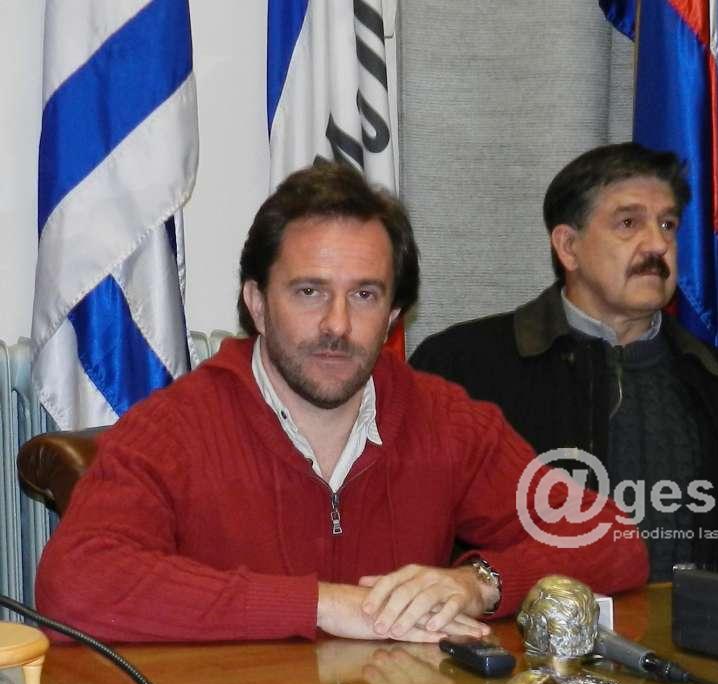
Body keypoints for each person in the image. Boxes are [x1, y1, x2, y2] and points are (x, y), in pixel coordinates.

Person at [35, 163, 647, 643]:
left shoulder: (444, 420)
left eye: (364, 295)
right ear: (256, 303)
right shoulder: (175, 428)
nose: (336, 324)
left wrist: (480, 582)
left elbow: (614, 541)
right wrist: (322, 605)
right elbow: (74, 585)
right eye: (309, 292)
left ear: (394, 316)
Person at [410, 143, 718, 581]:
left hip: (695, 624)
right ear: (568, 247)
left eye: (667, 225)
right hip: (517, 621)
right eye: (629, 223)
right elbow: (420, 543)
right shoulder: (461, 370)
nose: (658, 245)